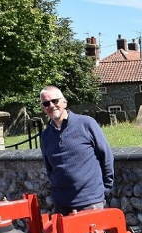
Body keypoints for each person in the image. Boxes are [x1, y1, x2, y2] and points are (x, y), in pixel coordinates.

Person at [39, 86, 114, 215]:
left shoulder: (86, 124)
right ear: (43, 108)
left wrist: (105, 189)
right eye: (46, 103)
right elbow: (50, 168)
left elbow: (106, 156)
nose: (51, 106)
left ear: (64, 102)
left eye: (55, 101)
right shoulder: (45, 136)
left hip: (91, 202)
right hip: (62, 206)